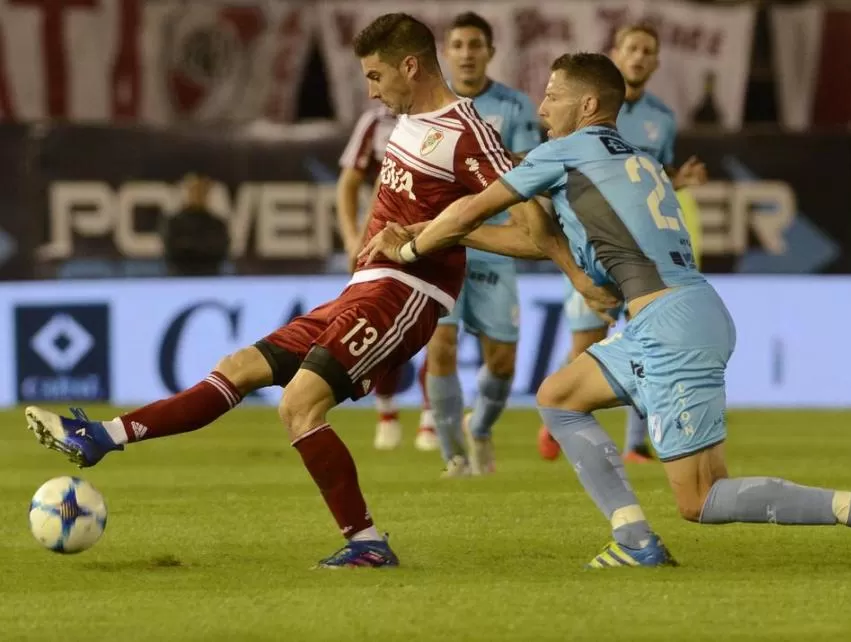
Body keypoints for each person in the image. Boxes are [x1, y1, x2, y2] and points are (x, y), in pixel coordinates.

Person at [24, 14, 613, 569]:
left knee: (299, 405)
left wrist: (556, 268)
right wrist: (425, 232)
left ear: (410, 66)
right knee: (239, 367)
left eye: (375, 76)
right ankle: (102, 436)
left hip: (406, 294)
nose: (372, 91)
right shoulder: (404, 122)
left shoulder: (465, 130)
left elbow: (533, 230)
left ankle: (367, 543)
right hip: (362, 289)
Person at [360, 52, 851, 569]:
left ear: (587, 105)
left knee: (701, 499)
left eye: (553, 95)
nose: (541, 106)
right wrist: (444, 236)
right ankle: (635, 540)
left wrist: (411, 247)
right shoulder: (640, 162)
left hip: (672, 325)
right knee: (558, 397)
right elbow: (534, 241)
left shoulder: (564, 152)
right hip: (666, 317)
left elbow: (471, 210)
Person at [538, 22, 707, 465]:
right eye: (631, 48)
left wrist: (679, 180)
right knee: (584, 347)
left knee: (646, 338)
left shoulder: (662, 119)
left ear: (656, 61)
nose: (639, 57)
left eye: (647, 51)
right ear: (616, 52)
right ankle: (557, 412)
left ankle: (636, 444)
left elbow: (649, 180)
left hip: (642, 253)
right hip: (594, 246)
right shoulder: (582, 107)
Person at [418, 12, 542, 477]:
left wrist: (490, 160)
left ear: (490, 52)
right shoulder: (428, 107)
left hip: (495, 244)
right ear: (446, 53)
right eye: (459, 45)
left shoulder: (513, 105)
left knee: (503, 359)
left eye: (476, 45)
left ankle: (482, 428)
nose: (467, 53)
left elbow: (532, 166)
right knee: (442, 347)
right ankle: (454, 455)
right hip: (442, 243)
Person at [336, 102, 439, 453]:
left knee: (440, 335)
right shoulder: (375, 122)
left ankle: (430, 418)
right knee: (385, 334)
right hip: (381, 242)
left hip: (433, 237)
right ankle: (387, 413)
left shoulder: (445, 119)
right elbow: (349, 183)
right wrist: (353, 238)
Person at [161, 174, 230, 277]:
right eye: (194, 189)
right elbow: (171, 251)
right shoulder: (174, 223)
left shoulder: (217, 224)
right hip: (180, 277)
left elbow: (219, 251)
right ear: (188, 191)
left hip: (209, 277)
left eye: (201, 190)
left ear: (207, 192)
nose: (197, 193)